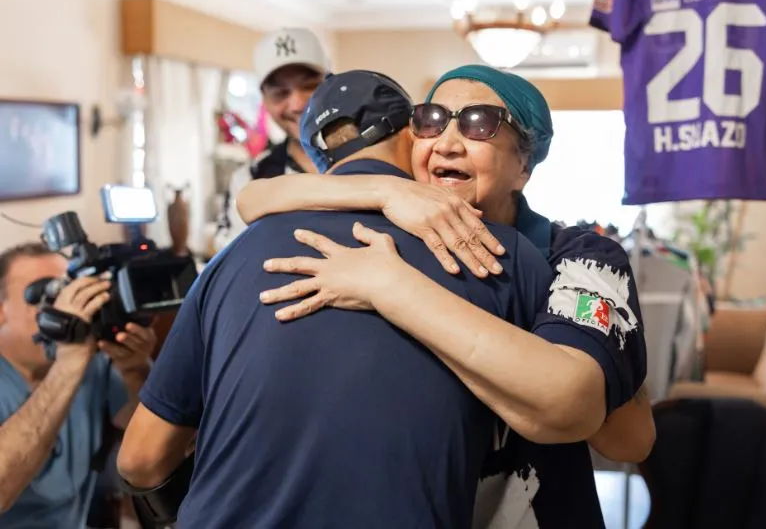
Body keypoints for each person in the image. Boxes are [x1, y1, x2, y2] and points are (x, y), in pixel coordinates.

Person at [115, 70, 599, 529]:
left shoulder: (229, 261)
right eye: (433, 123)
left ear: (319, 160)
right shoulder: (496, 252)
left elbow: (139, 459)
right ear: (412, 136)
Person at [237, 64, 654, 527]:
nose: (448, 141)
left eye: (480, 123)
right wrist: (384, 189)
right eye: (431, 119)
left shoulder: (575, 256)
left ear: (523, 165)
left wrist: (389, 287)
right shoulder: (390, 237)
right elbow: (253, 198)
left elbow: (620, 436)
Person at [0, 243, 156, 528]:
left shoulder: (91, 361)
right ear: (1, 311)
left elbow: (155, 441)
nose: (62, 309)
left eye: (67, 292)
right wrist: (69, 360)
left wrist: (135, 369)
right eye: (44, 295)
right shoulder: (74, 357)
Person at [214, 27, 330, 251]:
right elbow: (236, 258)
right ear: (265, 100)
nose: (297, 105)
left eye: (309, 86)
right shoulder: (250, 178)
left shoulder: (373, 156)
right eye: (280, 93)